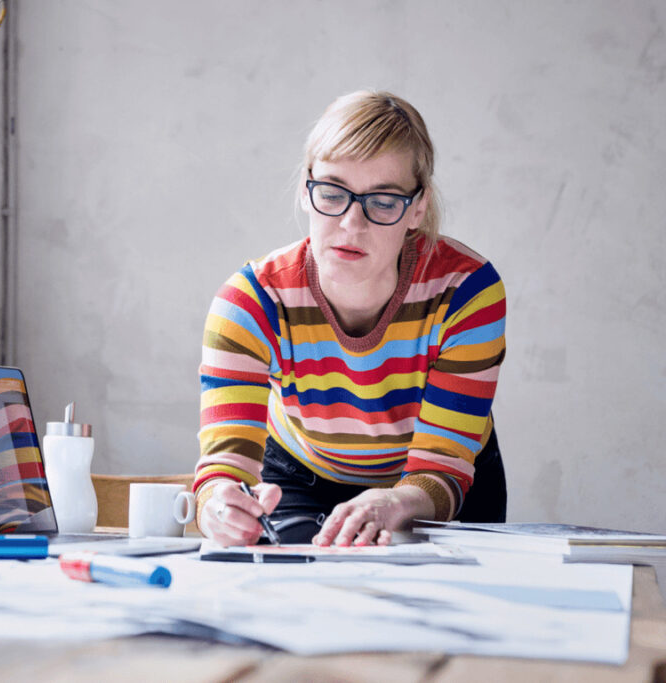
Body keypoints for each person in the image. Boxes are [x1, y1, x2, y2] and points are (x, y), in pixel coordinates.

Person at [194, 91, 507, 548]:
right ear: (306, 190)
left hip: (442, 480)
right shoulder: (250, 302)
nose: (350, 223)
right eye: (333, 191)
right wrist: (220, 507)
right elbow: (222, 470)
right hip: (303, 474)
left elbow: (441, 465)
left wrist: (397, 502)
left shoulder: (466, 292)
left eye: (383, 201)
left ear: (417, 208)